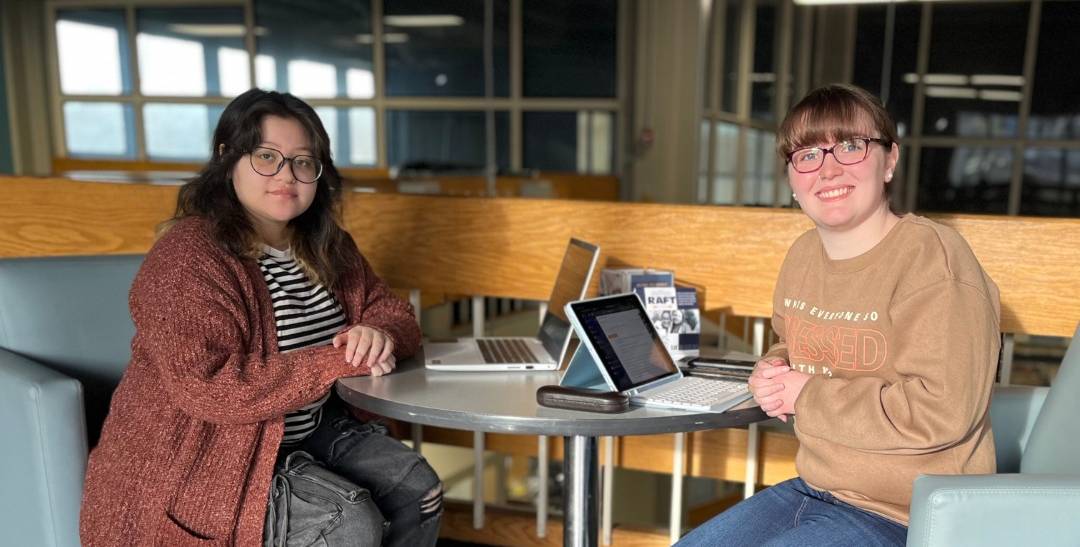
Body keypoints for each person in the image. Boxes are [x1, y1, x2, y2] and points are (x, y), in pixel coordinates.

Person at [80, 89, 442, 546]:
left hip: (302, 431)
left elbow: (395, 315)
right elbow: (208, 386)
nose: (286, 176)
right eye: (267, 156)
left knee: (417, 488)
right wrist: (338, 360)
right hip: (204, 455)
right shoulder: (189, 256)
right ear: (227, 157)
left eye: (303, 162)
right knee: (347, 522)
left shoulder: (328, 245)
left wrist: (377, 333)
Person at [677, 84, 1000, 546]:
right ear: (792, 179)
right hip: (818, 489)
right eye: (807, 155)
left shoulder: (935, 261)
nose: (828, 169)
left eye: (850, 146)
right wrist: (775, 367)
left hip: (912, 515)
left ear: (889, 161)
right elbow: (795, 339)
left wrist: (805, 394)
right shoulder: (803, 254)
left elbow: (940, 413)